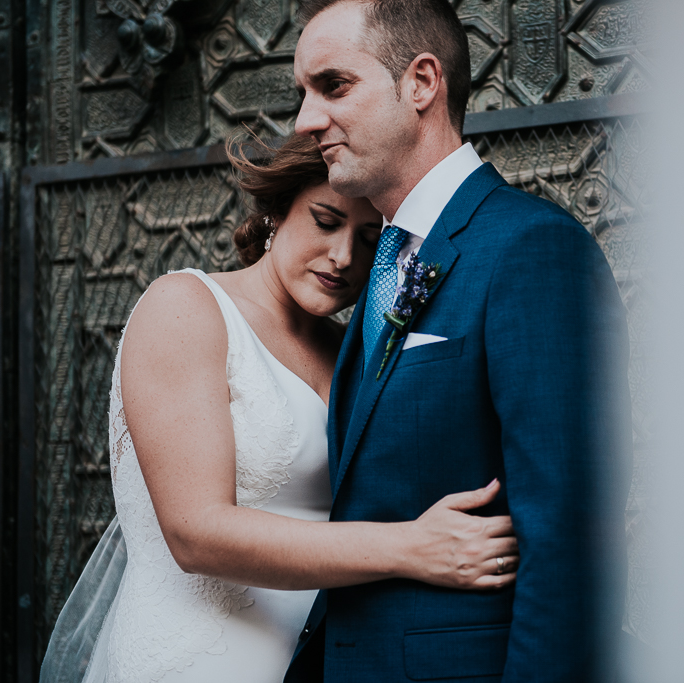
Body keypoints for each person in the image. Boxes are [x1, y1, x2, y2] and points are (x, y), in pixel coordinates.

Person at [39, 134, 519, 683]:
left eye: (369, 240)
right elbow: (196, 532)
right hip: (198, 662)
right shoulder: (185, 308)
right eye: (324, 220)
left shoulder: (352, 351)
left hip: (321, 663)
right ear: (274, 214)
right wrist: (412, 547)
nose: (345, 257)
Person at [287, 0, 633, 681]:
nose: (305, 121)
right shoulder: (383, 261)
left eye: (333, 86)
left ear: (421, 83)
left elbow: (569, 540)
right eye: (302, 94)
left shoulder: (530, 250)